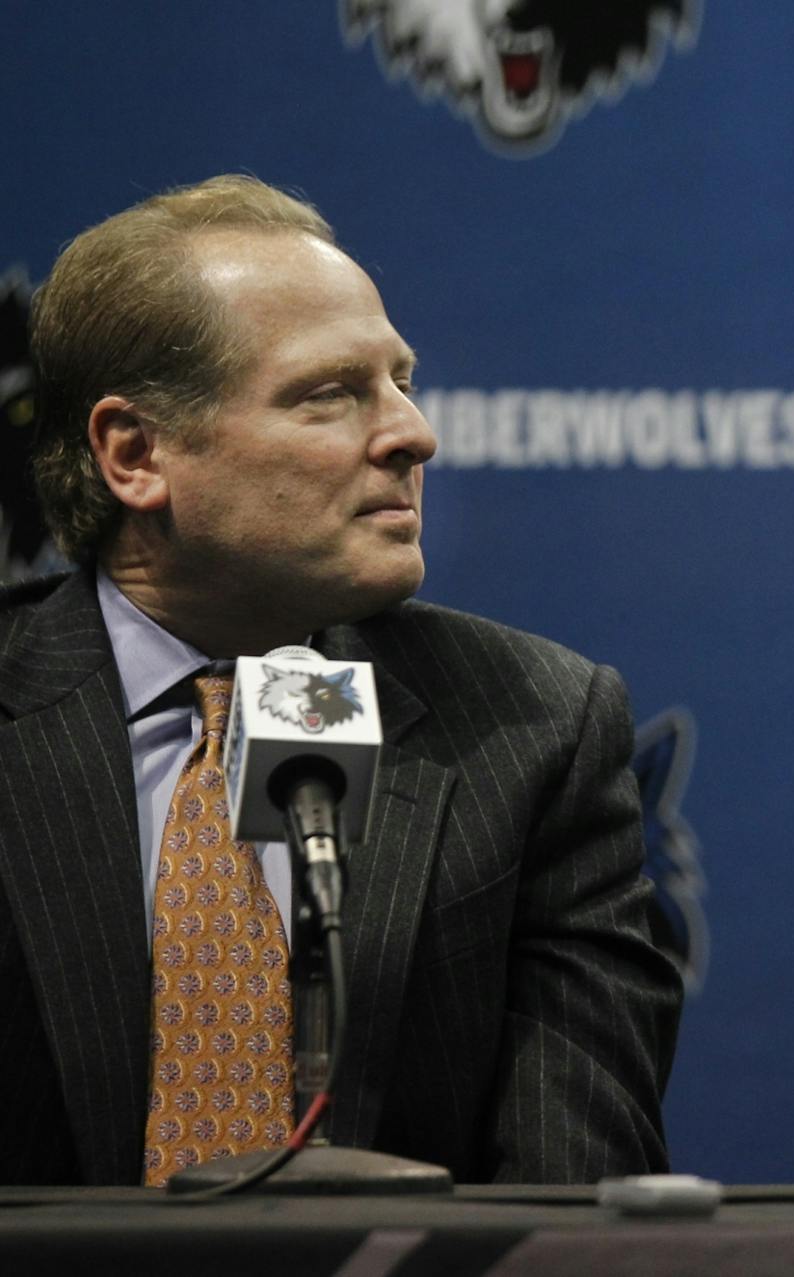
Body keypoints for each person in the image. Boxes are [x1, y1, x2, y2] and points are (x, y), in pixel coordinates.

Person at [0, 175, 681, 1186]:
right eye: (330, 394)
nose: (411, 433)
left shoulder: (535, 728)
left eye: (401, 379)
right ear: (136, 454)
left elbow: (566, 1190)